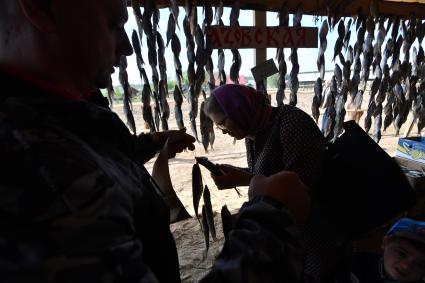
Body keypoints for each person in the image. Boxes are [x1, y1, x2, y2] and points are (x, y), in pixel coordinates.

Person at [0, 0, 310, 282]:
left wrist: (151, 144)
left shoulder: (62, 118)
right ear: (43, 8)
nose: (127, 47)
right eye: (113, 24)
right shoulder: (35, 163)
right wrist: (272, 219)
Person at [203, 84, 340, 282]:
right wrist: (240, 174)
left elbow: (300, 188)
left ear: (238, 109)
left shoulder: (291, 123)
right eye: (219, 127)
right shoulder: (253, 131)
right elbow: (268, 174)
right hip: (286, 232)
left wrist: (245, 179)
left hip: (316, 234)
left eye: (223, 123)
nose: (223, 132)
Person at [341, 218, 425, 283]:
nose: (405, 266)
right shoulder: (357, 261)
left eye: (420, 264)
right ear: (385, 242)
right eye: (401, 253)